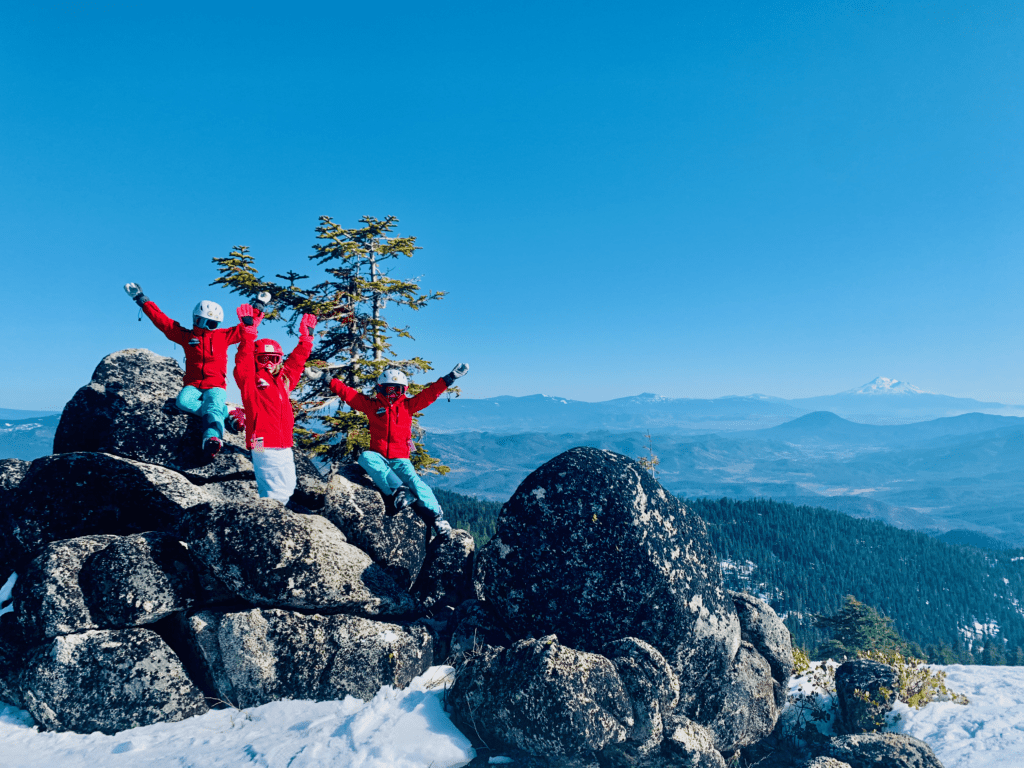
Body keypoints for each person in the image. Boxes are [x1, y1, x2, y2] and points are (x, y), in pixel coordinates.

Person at [328, 363, 469, 537]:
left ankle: (437, 518)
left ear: (404, 391)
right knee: (365, 457)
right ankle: (399, 491)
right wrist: (329, 380)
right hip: (380, 458)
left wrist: (450, 378)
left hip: (401, 459)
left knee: (416, 482)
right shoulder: (372, 406)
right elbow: (349, 394)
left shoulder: (408, 406)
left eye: (397, 390)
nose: (393, 394)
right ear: (380, 389)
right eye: (389, 390)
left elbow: (430, 394)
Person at [124, 282, 255, 460]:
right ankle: (228, 412)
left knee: (213, 406)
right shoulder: (187, 337)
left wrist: (259, 308)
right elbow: (163, 322)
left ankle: (212, 439)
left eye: (212, 324)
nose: (207, 327)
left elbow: (248, 328)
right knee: (183, 403)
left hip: (216, 385)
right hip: (193, 384)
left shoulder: (223, 336)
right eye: (203, 321)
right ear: (195, 319)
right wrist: (141, 299)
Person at [233, 304, 316, 503]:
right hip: (260, 441)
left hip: (284, 442)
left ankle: (282, 517)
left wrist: (306, 341)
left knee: (289, 486)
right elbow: (242, 360)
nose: (269, 363)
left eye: (274, 358)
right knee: (271, 486)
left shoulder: (283, 381)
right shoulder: (249, 380)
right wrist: (248, 334)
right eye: (263, 359)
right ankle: (272, 522)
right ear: (255, 360)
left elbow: (296, 364)